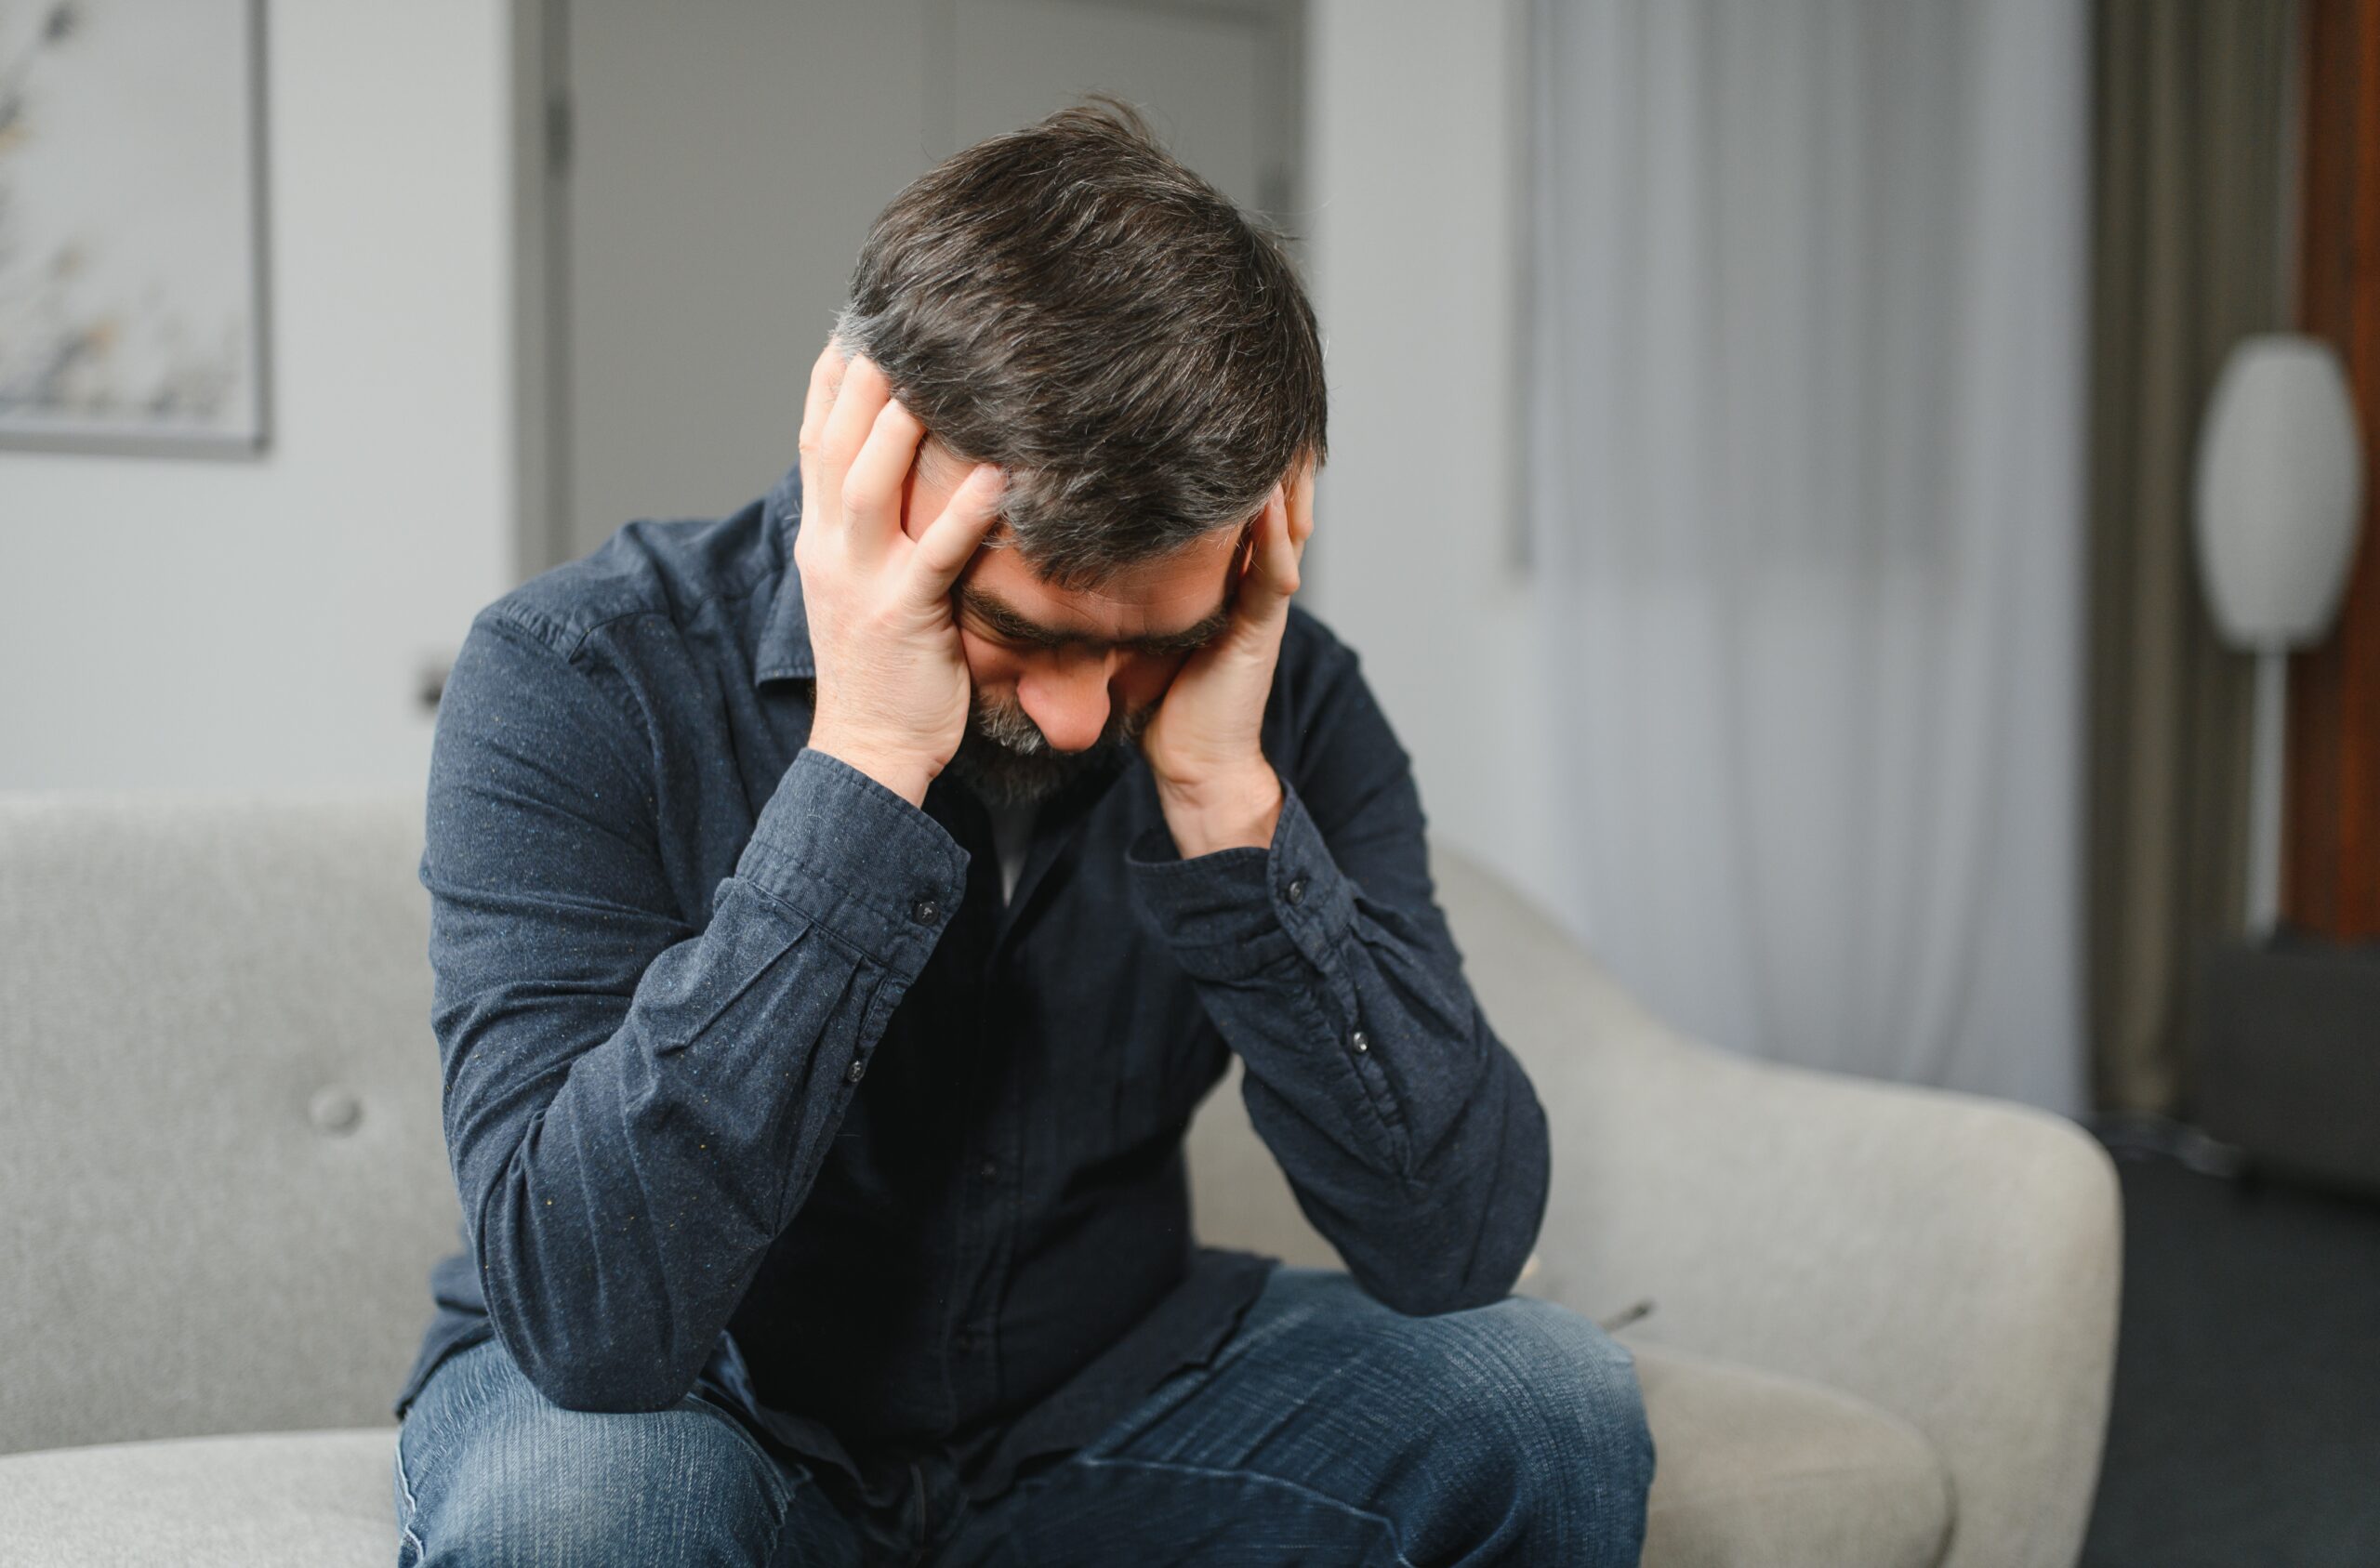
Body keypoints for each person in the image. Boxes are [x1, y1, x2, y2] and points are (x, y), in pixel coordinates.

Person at [390, 99, 1654, 1567]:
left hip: (1101, 1403)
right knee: (586, 1516)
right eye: (1016, 628)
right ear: (859, 450)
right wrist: (863, 767)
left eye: (1145, 644)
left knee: (1548, 1403)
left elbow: (1456, 1247)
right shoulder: (580, 674)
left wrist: (1228, 808)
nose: (1073, 718)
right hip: (699, 1407)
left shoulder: (1284, 699)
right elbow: (592, 1321)